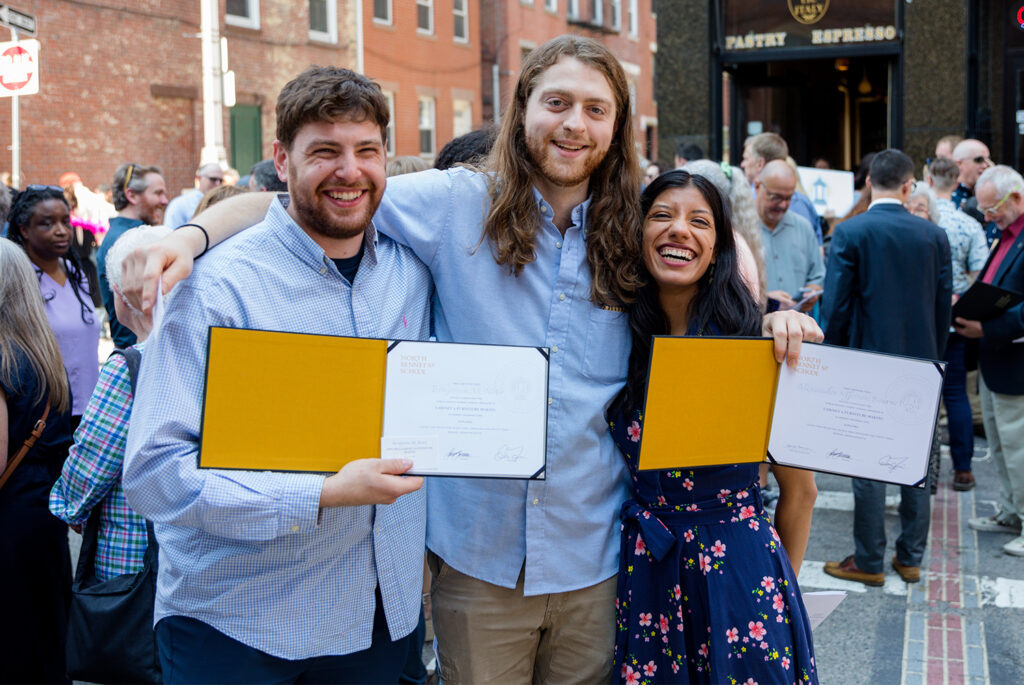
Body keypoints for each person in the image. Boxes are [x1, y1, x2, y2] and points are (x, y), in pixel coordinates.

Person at [119, 36, 818, 684]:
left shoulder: (637, 221)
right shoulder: (454, 205)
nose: (574, 124)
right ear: (523, 113)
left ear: (616, 125)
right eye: (557, 103)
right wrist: (191, 235)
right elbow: (316, 195)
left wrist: (775, 317)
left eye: (595, 109)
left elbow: (711, 280)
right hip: (478, 565)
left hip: (598, 562)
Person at [123, 66, 431, 683]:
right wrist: (318, 493)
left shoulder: (411, 272)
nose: (349, 170)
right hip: (240, 623)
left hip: (375, 616)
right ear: (281, 160)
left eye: (366, 150)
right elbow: (154, 475)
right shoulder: (210, 287)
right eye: (324, 151)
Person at [608, 170, 818, 683]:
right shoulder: (619, 339)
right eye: (661, 215)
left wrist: (773, 591)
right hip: (648, 574)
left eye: (699, 221)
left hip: (738, 579)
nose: (680, 230)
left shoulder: (757, 349)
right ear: (637, 234)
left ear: (719, 245)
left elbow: (801, 493)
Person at [823, 149, 952, 586]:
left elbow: (837, 305)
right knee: (915, 462)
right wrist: (936, 355)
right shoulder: (933, 236)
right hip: (921, 360)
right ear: (908, 185)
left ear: (867, 184)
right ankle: (910, 557)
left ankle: (869, 558)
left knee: (868, 460)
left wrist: (833, 357)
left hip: (867, 360)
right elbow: (941, 310)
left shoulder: (851, 231)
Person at [49, 224, 170, 582]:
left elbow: (90, 466)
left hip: (134, 560)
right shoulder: (211, 352)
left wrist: (67, 507)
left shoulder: (130, 366)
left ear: (119, 293)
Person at [0, 238, 75, 683]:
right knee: (45, 641)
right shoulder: (43, 354)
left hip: (9, 524)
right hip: (42, 517)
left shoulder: (4, 356)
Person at [959, 165, 1024, 556]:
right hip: (996, 358)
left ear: (1016, 197)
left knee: (1018, 446)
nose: (986, 217)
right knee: (1000, 444)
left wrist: (988, 328)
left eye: (991, 209)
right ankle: (1010, 511)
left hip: (1015, 358)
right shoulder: (1006, 233)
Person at [6, 185, 101, 428]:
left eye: (65, 222)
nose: (61, 231)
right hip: (43, 415)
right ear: (24, 229)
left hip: (88, 409)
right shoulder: (16, 280)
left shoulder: (74, 271)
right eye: (47, 223)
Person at [928, 158, 989, 490]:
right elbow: (980, 276)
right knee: (956, 394)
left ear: (927, 178)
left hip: (923, 322)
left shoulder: (920, 221)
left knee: (921, 397)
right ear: (956, 183)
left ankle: (922, 469)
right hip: (955, 321)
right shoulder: (969, 225)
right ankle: (963, 469)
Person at [97, 163, 169, 349]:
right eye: (157, 193)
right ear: (131, 195)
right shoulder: (131, 241)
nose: (165, 200)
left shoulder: (129, 235)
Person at [755, 161, 825, 312]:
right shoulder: (737, 227)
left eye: (788, 198)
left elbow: (817, 276)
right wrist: (762, 298)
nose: (782, 205)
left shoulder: (803, 227)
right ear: (757, 186)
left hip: (797, 328)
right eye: (775, 197)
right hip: (751, 329)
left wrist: (811, 293)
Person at [163, 163, 224, 230]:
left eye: (221, 180)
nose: (218, 184)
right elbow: (170, 233)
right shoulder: (180, 205)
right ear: (199, 178)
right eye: (213, 179)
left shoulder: (222, 203)